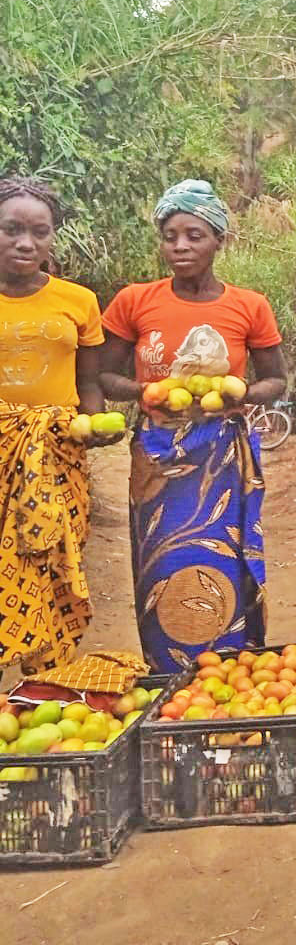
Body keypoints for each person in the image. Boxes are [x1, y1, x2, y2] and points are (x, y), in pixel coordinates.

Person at [100, 180, 286, 671]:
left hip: (221, 453)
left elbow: (276, 380)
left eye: (194, 235)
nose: (180, 246)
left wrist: (242, 393)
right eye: (170, 236)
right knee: (160, 563)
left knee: (225, 557)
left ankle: (229, 665)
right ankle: (167, 672)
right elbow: (103, 374)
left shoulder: (249, 305)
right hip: (159, 455)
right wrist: (144, 391)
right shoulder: (135, 300)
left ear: (219, 240)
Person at [0, 176, 117, 672]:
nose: (26, 243)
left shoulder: (79, 300)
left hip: (57, 456)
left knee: (51, 562)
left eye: (39, 232)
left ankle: (44, 683)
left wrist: (95, 425)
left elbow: (88, 382)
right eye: (11, 229)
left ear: (53, 236)